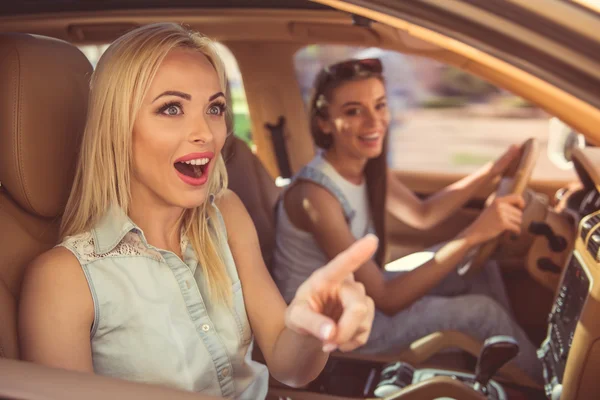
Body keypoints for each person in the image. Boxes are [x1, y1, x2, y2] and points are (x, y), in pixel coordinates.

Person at [18, 23, 377, 399]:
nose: (206, 132)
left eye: (215, 108)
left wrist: (315, 330)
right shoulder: (62, 280)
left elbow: (289, 365)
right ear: (117, 127)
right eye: (171, 108)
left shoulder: (227, 215)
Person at [272, 58, 542, 382]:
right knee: (481, 311)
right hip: (338, 326)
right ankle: (543, 385)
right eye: (354, 111)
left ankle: (504, 368)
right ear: (325, 122)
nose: (374, 121)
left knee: (481, 267)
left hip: (368, 291)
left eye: (380, 105)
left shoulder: (365, 165)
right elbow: (388, 299)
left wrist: (491, 172)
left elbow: (422, 215)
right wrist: (475, 233)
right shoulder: (315, 196)